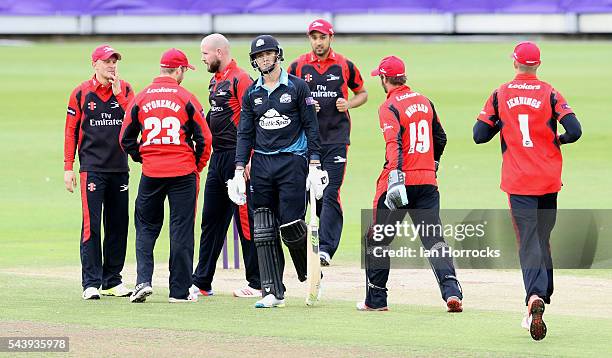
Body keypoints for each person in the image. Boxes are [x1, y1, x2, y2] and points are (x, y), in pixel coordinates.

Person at [473, 41, 582, 340]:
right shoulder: (550, 92)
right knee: (543, 236)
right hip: (548, 177)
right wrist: (558, 140)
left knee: (527, 241)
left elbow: (479, 135)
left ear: (515, 63)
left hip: (519, 180)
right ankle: (545, 292)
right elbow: (575, 130)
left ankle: (534, 295)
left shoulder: (500, 93)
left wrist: (502, 123)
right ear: (538, 64)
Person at [228, 34, 328, 308]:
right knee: (263, 228)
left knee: (291, 226)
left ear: (277, 55)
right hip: (261, 164)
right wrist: (239, 169)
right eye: (259, 56)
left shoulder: (297, 87)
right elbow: (245, 133)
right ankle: (273, 291)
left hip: (292, 161)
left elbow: (311, 127)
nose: (264, 59)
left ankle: (310, 273)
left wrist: (315, 164)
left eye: (268, 54)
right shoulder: (252, 93)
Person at [359, 56, 463, 313]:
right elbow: (441, 137)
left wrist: (395, 175)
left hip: (399, 182)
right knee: (433, 238)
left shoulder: (389, 106)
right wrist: (433, 162)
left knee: (378, 239)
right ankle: (451, 292)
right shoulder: (424, 101)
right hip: (427, 181)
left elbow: (392, 143)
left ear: (385, 79)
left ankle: (376, 299)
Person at [120, 48, 212, 303]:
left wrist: (142, 157)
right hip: (183, 173)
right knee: (181, 230)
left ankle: (143, 281)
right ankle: (179, 292)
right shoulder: (186, 97)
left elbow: (125, 137)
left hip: (152, 172)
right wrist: (197, 166)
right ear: (179, 70)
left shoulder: (141, 97)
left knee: (146, 228)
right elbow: (205, 139)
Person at [288, 19, 368, 266]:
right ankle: (302, 244)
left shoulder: (345, 65)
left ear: (330, 38)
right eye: (314, 38)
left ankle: (325, 249)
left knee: (330, 191)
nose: (318, 42)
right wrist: (306, 105)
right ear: (309, 39)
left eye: (322, 37)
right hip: (306, 140)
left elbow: (362, 93)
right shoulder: (298, 65)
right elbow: (286, 97)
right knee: (311, 192)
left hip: (336, 138)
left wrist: (349, 104)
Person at [190, 33, 261, 299]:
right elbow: (215, 118)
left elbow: (254, 117)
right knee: (211, 221)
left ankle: (257, 282)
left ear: (219, 52)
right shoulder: (214, 81)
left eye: (205, 54)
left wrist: (250, 159)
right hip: (218, 159)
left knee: (245, 222)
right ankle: (202, 281)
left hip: (238, 159)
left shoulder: (240, 79)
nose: (203, 58)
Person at [64, 44, 134, 300]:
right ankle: (91, 283)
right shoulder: (81, 93)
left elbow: (133, 121)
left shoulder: (125, 89)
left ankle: (112, 280)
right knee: (91, 226)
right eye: (107, 62)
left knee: (118, 225)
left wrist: (120, 97)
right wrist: (67, 167)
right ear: (95, 64)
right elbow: (70, 131)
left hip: (119, 168)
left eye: (115, 61)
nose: (112, 66)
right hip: (91, 169)